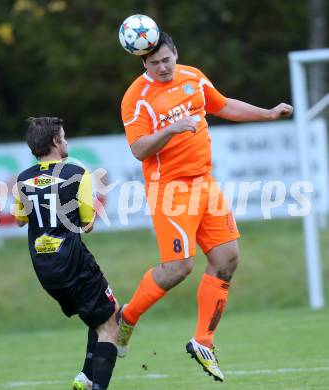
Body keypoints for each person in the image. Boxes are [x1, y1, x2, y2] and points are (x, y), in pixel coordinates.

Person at [117, 32, 293, 382]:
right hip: (169, 189)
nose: (163, 67)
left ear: (175, 53)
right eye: (155, 63)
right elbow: (138, 149)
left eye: (167, 60)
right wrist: (172, 129)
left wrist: (268, 114)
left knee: (227, 258)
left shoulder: (193, 77)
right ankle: (127, 317)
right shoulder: (136, 98)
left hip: (204, 183)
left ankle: (203, 341)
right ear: (144, 64)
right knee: (178, 268)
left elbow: (223, 105)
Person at [15, 117, 119, 390]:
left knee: (100, 314)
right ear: (54, 142)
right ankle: (94, 384)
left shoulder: (23, 179)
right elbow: (86, 225)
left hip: (44, 268)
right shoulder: (75, 173)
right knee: (111, 323)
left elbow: (20, 219)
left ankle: (85, 377)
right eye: (64, 136)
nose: (66, 141)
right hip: (73, 262)